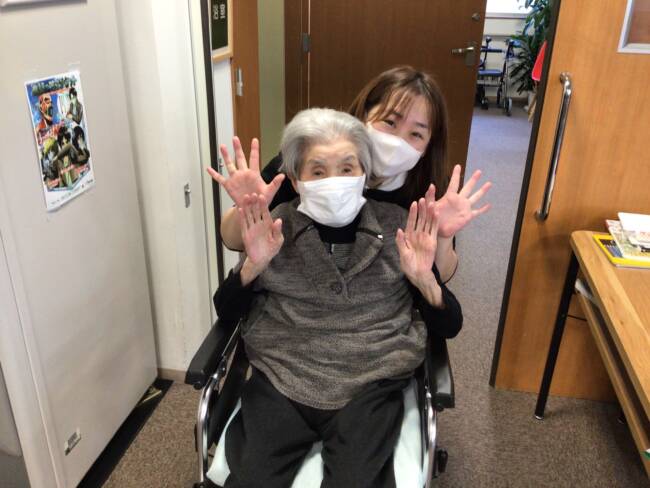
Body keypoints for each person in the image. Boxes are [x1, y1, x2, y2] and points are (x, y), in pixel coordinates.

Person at [213, 108, 462, 488]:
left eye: (347, 168)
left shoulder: (399, 228)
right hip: (283, 375)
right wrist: (252, 266)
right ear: (295, 181)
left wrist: (424, 279)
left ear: (364, 174)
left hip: (370, 383)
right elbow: (226, 311)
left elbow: (450, 324)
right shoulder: (275, 226)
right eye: (317, 171)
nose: (334, 181)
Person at [210, 66, 492, 283]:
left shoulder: (428, 190)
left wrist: (442, 237)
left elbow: (441, 276)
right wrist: (248, 209)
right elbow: (232, 240)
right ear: (365, 114)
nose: (398, 141)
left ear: (428, 146)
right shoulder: (311, 161)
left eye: (416, 134)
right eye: (390, 122)